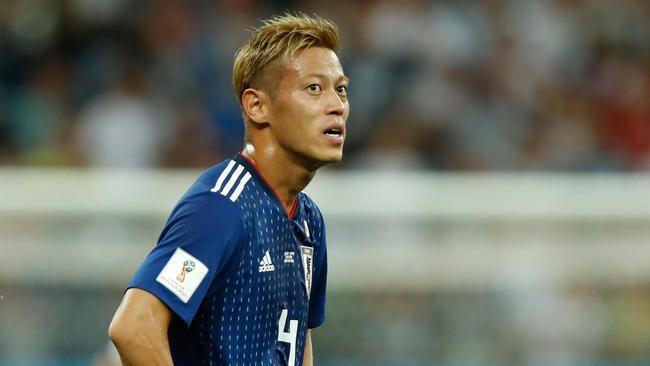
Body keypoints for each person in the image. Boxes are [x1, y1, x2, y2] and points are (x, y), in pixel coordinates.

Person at [108, 12, 349, 366]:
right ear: (257, 105)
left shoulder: (308, 220)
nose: (336, 105)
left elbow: (297, 342)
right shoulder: (221, 208)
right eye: (314, 88)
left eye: (341, 89)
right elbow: (133, 327)